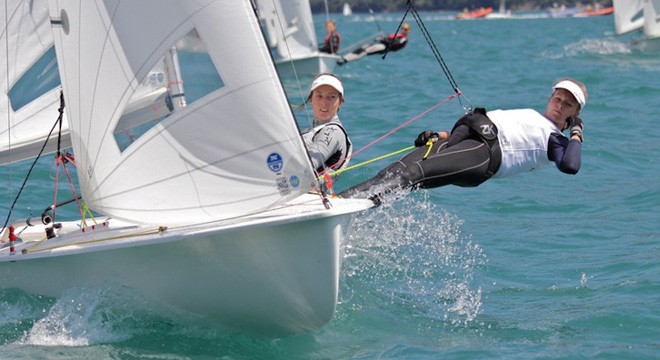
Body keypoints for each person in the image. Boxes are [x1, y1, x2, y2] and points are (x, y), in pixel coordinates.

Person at [340, 78, 587, 204]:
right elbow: (498, 125)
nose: (559, 105)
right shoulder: (532, 115)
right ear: (550, 98)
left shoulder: (555, 140)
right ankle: (339, 202)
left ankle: (341, 209)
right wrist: (442, 136)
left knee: (411, 175)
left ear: (574, 112)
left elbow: (570, 166)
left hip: (483, 156)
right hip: (467, 138)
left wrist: (576, 132)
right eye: (557, 99)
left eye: (567, 104)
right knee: (395, 171)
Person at [301, 73, 352, 176]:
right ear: (311, 99)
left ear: (340, 102)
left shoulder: (333, 131)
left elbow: (309, 166)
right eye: (319, 96)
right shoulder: (310, 131)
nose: (324, 103)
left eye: (331, 97)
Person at [338, 22, 411, 65]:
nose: (403, 30)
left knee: (365, 51)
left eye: (406, 29)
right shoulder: (398, 35)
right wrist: (383, 38)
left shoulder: (403, 39)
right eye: (403, 28)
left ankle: (344, 60)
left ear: (408, 30)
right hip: (381, 44)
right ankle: (344, 58)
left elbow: (393, 44)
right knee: (362, 48)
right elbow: (388, 39)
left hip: (383, 47)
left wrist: (384, 39)